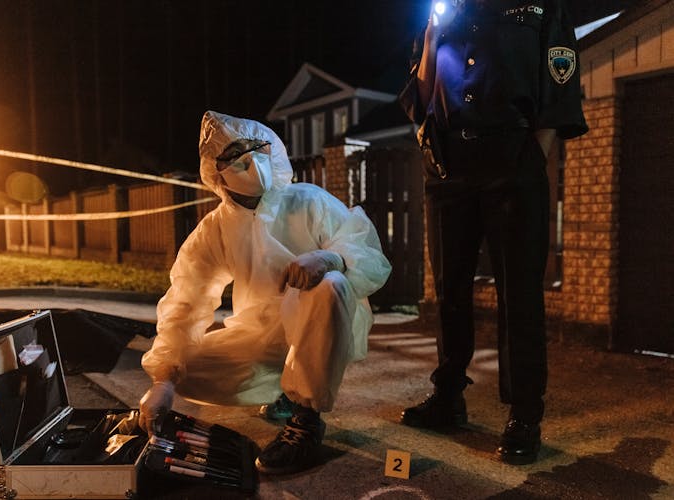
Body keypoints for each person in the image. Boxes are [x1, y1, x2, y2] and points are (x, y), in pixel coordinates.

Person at [138, 110, 391, 474]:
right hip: (260, 333)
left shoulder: (307, 201)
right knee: (182, 369)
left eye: (257, 148)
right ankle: (283, 394)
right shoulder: (216, 230)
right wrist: (163, 379)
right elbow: (186, 299)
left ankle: (305, 419)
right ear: (216, 170)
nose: (252, 161)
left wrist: (329, 257)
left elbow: (365, 251)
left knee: (331, 283)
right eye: (235, 155)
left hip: (319, 324)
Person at [399, 0, 587, 464]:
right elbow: (421, 95)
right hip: (448, 168)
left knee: (519, 295)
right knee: (450, 290)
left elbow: (558, 95)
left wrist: (529, 164)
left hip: (512, 163)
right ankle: (448, 396)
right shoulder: (447, 9)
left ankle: (525, 412)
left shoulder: (545, 10)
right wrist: (430, 30)